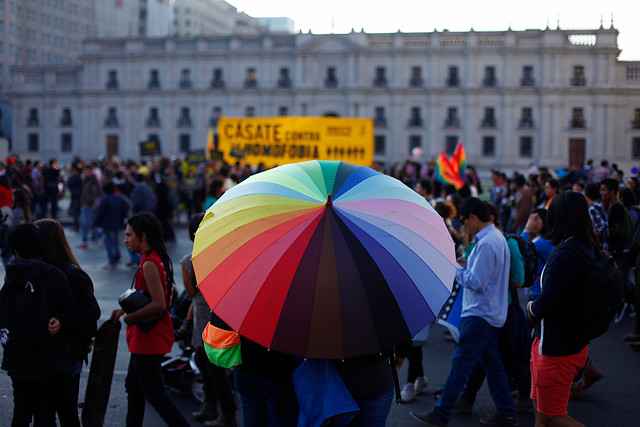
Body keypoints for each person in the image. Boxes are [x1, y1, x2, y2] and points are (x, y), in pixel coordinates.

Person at [410, 197, 517, 426]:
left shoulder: (487, 243)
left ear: (473, 218)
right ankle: (507, 411)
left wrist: (456, 268)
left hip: (479, 313)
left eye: (465, 222)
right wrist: (467, 265)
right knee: (492, 365)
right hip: (490, 313)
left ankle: (441, 413)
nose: (464, 227)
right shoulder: (496, 238)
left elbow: (476, 282)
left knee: (461, 365)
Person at [111, 212, 190, 427]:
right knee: (133, 388)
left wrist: (129, 317)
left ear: (142, 236)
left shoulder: (149, 264)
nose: (125, 240)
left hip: (148, 340)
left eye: (129, 235)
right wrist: (123, 309)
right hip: (148, 339)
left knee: (156, 396)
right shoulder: (156, 258)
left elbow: (159, 304)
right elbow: (167, 293)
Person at [526, 191, 598, 426]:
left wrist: (530, 308)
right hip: (566, 341)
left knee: (551, 416)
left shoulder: (565, 254)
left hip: (557, 347)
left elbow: (547, 302)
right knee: (540, 411)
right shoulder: (587, 247)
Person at [0, 223, 77, 426]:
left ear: (16, 250)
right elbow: (72, 310)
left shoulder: (12, 274)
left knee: (21, 412)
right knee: (45, 415)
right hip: (48, 359)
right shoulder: (55, 276)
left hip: (17, 358)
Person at [36, 218, 101, 427]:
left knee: (66, 411)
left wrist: (62, 322)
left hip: (68, 352)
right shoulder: (43, 270)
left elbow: (92, 311)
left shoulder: (71, 273)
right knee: (47, 410)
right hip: (50, 352)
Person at [182, 214, 237, 426]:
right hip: (221, 317)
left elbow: (189, 293)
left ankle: (223, 411)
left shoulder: (189, 261)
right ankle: (215, 408)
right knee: (214, 366)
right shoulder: (223, 256)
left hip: (203, 319)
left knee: (208, 367)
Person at [93, 181, 129, 270]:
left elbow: (100, 212)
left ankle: (112, 261)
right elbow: (125, 208)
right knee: (116, 242)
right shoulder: (118, 198)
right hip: (117, 223)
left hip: (107, 224)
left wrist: (95, 223)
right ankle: (117, 257)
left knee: (110, 243)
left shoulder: (105, 199)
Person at [79, 165, 101, 249]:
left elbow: (94, 193)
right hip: (86, 204)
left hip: (90, 205)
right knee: (86, 224)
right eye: (84, 172)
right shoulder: (85, 180)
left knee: (88, 224)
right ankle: (85, 240)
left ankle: (99, 236)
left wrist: (87, 202)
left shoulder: (92, 181)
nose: (85, 173)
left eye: (87, 171)